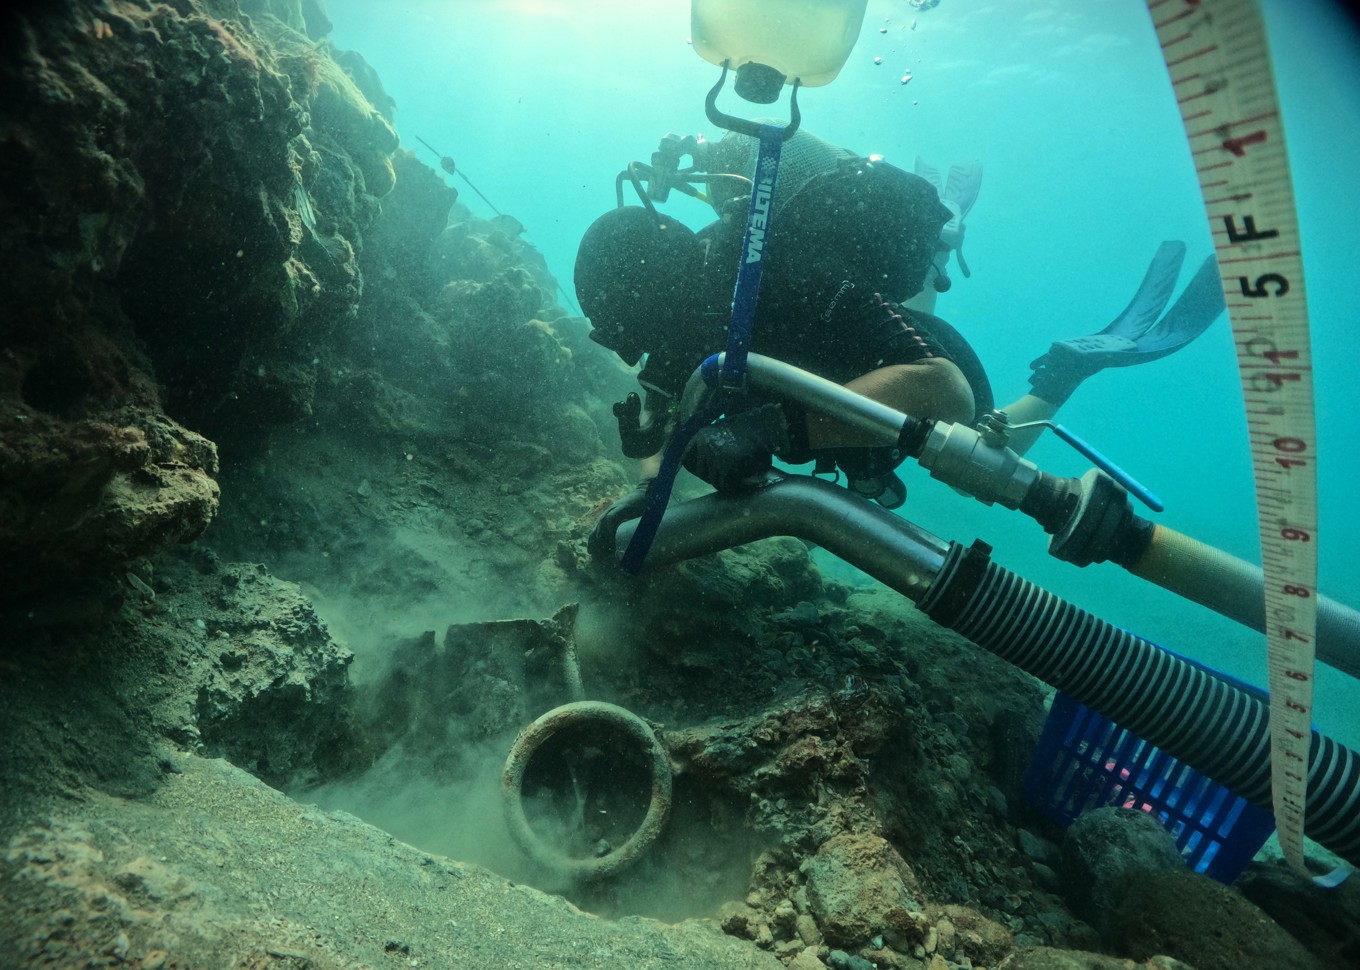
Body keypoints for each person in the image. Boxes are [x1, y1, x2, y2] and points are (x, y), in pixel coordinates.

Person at [576, 127, 1223, 556]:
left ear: (657, 297)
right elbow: (664, 447)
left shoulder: (777, 279)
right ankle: (943, 235)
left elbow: (942, 387)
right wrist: (650, 469)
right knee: (893, 310)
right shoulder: (683, 325)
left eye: (635, 335)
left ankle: (1061, 372)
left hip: (920, 364)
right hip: (844, 353)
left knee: (985, 463)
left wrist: (772, 432)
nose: (638, 355)